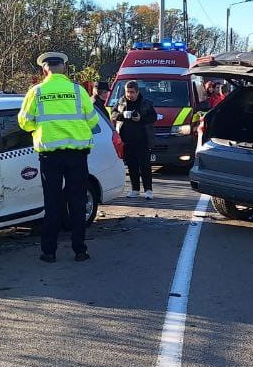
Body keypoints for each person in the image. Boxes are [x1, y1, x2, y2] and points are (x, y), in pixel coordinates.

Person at [18, 52, 99, 262]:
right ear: (63, 68)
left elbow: (24, 123)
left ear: (44, 69)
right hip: (77, 155)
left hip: (50, 156)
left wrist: (42, 127)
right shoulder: (78, 91)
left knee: (52, 202)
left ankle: (49, 252)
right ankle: (80, 250)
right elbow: (92, 121)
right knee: (77, 202)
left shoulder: (36, 92)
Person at [112, 79, 156, 200]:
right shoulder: (121, 101)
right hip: (126, 140)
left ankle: (148, 190)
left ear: (137, 92)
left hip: (142, 140)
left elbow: (153, 117)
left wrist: (141, 118)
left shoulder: (146, 103)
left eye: (132, 92)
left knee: (145, 166)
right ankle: (135, 189)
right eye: (127, 92)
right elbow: (113, 114)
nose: (129, 95)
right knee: (132, 166)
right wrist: (122, 115)